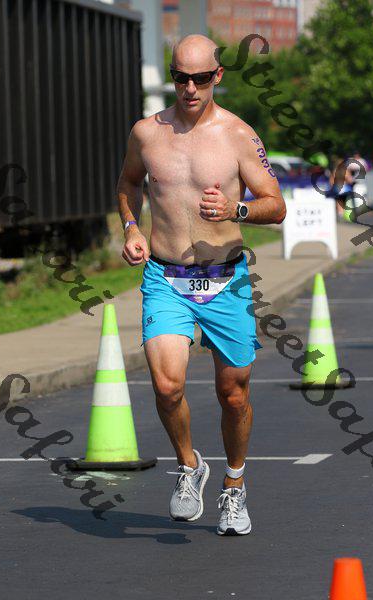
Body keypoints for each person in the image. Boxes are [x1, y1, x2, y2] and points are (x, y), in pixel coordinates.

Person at [116, 34, 286, 536]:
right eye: (180, 78)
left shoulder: (238, 135)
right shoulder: (147, 133)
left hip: (225, 279)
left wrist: (235, 209)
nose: (190, 88)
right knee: (167, 387)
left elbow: (275, 205)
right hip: (166, 276)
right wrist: (131, 228)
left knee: (233, 394)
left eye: (201, 78)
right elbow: (128, 183)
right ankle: (189, 466)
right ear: (172, 76)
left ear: (218, 76)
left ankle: (234, 485)